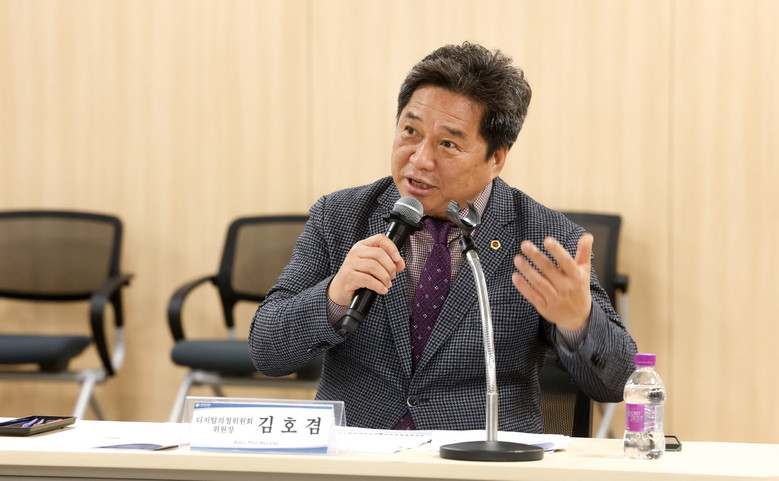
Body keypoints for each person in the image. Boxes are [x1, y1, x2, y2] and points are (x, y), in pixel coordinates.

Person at [249, 41, 637, 433]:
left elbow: (617, 381)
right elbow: (267, 351)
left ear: (496, 158)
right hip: (357, 452)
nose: (419, 159)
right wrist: (333, 296)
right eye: (410, 131)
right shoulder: (341, 216)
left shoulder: (544, 239)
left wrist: (579, 322)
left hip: (479, 456)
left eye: (448, 143)